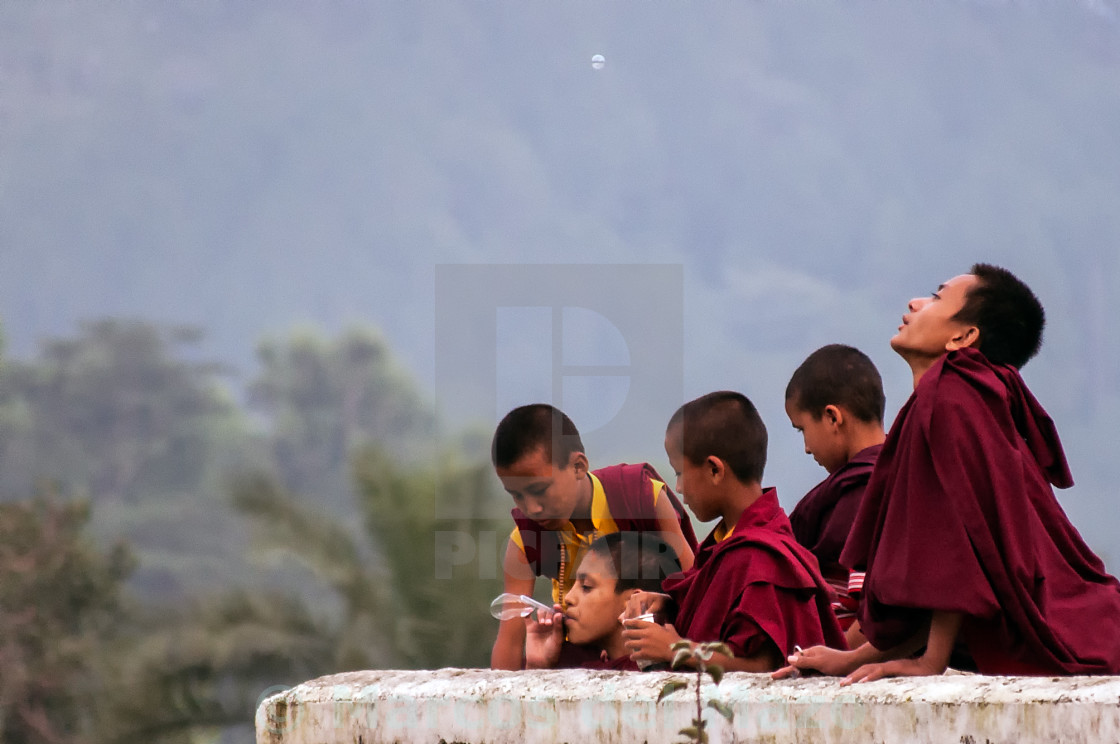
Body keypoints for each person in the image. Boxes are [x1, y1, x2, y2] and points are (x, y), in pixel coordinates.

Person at [777, 264, 1120, 683]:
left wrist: (930, 660)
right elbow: (945, 564)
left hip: (1066, 626)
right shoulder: (956, 398)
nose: (915, 303)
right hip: (1082, 612)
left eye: (937, 298)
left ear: (962, 337)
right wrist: (855, 658)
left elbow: (957, 541)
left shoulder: (948, 399)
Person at [621, 391, 847, 673]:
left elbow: (763, 666)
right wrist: (667, 605)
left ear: (715, 469)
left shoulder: (760, 557)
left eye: (680, 473)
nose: (678, 488)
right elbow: (712, 604)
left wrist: (676, 649)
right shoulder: (726, 541)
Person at [489, 404, 697, 670]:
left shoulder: (640, 496)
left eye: (539, 490)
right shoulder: (524, 541)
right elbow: (510, 640)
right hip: (579, 663)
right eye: (517, 495)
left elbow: (694, 590)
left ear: (578, 466)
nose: (532, 508)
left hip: (654, 656)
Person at [784, 344, 886, 647]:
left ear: (832, 417)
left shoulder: (867, 492)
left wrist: (836, 657)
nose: (806, 448)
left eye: (802, 429)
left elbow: (874, 609)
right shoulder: (896, 475)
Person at [524, 531, 681, 670]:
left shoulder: (662, 673)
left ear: (635, 601)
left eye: (586, 587)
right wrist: (537, 666)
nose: (568, 598)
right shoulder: (581, 669)